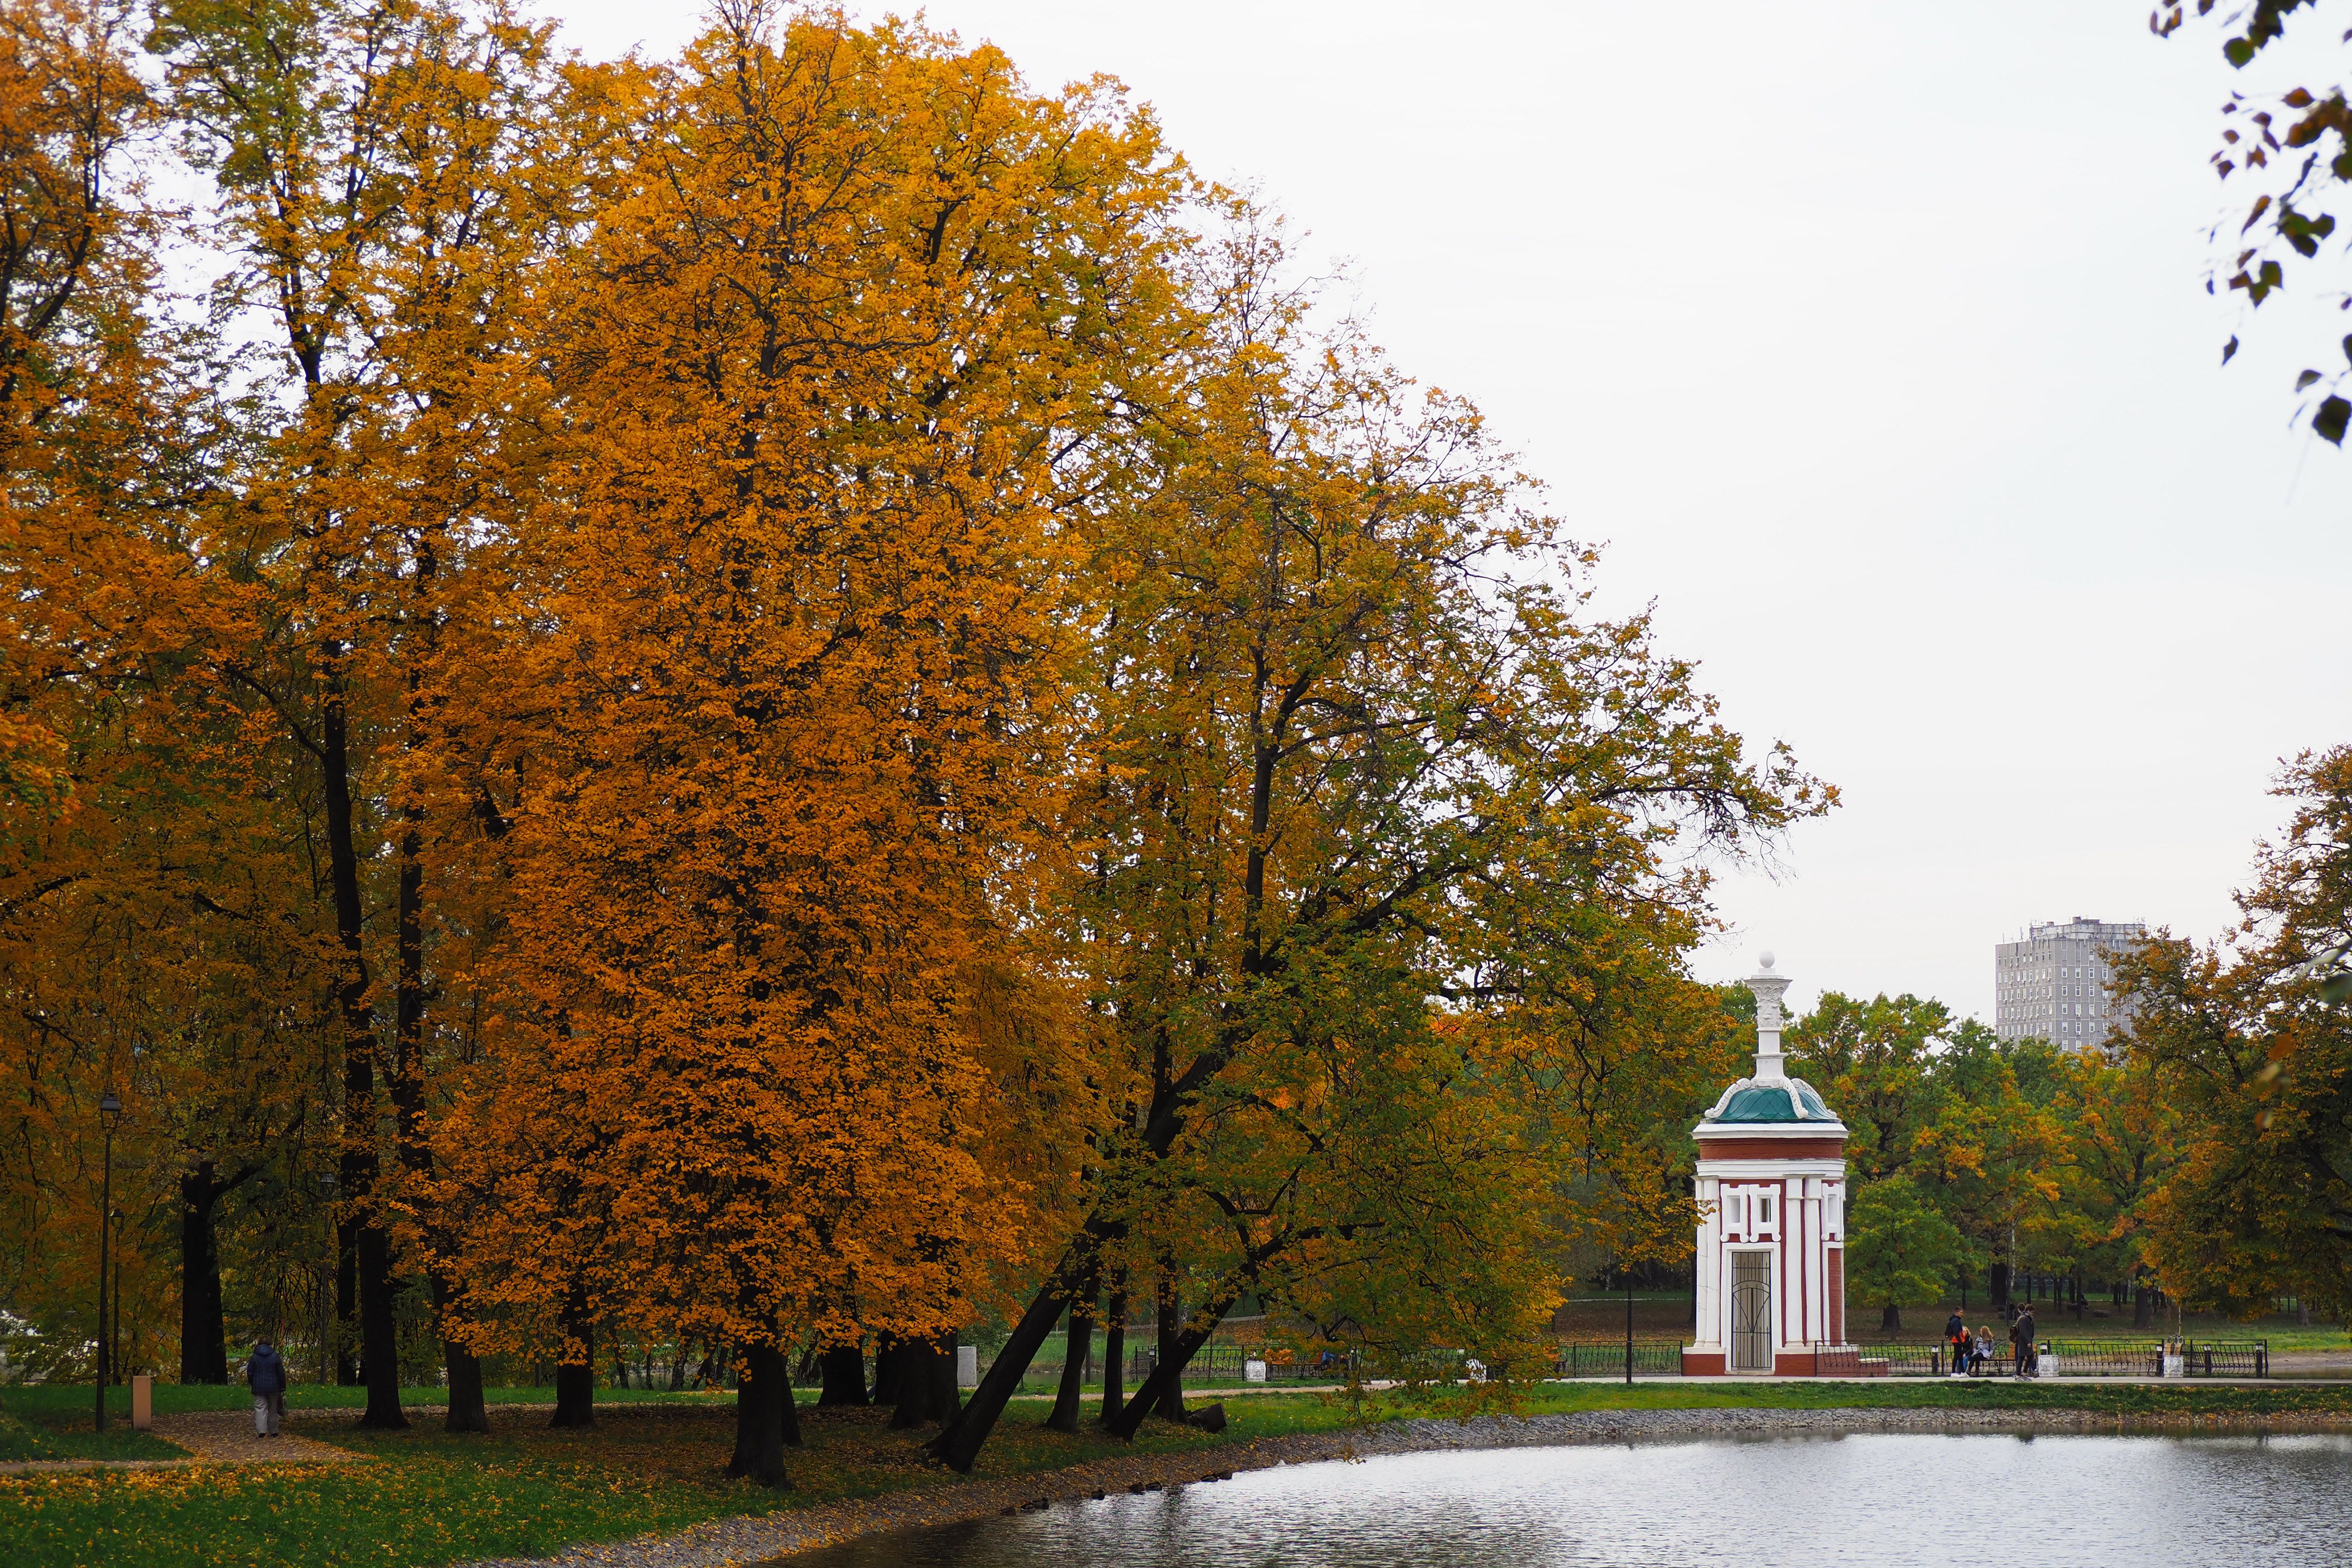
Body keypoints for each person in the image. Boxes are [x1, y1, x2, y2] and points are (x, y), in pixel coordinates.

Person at [247, 1337, 288, 1437]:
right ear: (270, 1345)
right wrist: (283, 1386)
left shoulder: (255, 1357)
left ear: (259, 1344)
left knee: (260, 1408)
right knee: (273, 1409)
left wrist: (252, 1383)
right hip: (274, 1387)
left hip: (258, 1387)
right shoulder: (275, 1356)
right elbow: (281, 1373)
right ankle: (274, 1431)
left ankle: (262, 1432)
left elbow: (250, 1372)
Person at [2011, 1306, 2037, 1379]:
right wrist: (2028, 1342)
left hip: (2027, 1340)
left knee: (2030, 1356)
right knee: (2021, 1357)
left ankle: (2024, 1372)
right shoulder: (2023, 1319)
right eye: (2032, 1312)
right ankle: (2018, 1374)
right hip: (2023, 1341)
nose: (2032, 1314)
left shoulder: (2028, 1318)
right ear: (2028, 1311)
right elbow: (2023, 1331)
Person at [1944, 1310, 1968, 1376]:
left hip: (1955, 1340)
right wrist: (1960, 1341)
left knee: (1960, 1357)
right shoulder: (1957, 1321)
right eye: (1961, 1313)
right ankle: (1953, 1373)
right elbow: (1957, 1332)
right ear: (1957, 1313)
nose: (1962, 1314)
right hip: (1957, 1340)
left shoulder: (1953, 1320)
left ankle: (1963, 1372)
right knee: (1957, 1356)